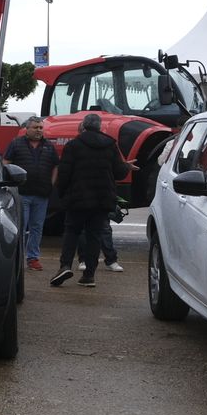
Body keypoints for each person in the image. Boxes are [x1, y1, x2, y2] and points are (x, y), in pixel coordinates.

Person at [50, 112, 129, 288]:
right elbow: (120, 172)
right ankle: (89, 276)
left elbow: (64, 173)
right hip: (102, 200)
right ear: (100, 126)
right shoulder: (111, 145)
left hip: (78, 198)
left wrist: (61, 194)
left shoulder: (74, 145)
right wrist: (125, 166)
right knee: (95, 235)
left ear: (83, 126)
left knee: (72, 232)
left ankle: (65, 266)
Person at [2, 117, 58, 271]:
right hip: (22, 194)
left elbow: (55, 166)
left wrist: (51, 184)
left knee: (37, 227)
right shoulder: (16, 144)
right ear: (27, 128)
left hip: (42, 194)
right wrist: (9, 184)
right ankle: (17, 257)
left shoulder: (49, 146)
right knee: (20, 227)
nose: (39, 130)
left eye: (41, 127)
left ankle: (33, 258)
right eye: (35, 127)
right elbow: (6, 163)